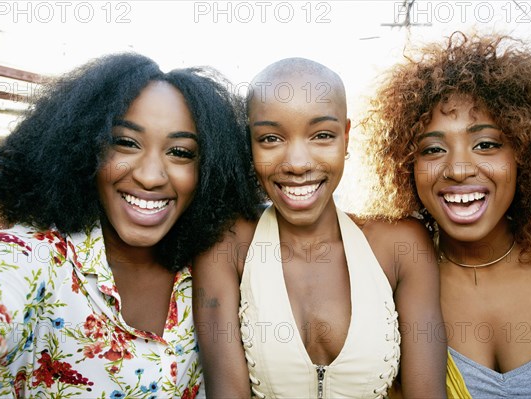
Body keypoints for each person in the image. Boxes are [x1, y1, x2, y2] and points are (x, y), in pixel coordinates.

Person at [0, 53, 260, 397]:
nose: (150, 176)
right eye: (126, 143)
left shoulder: (213, 262)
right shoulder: (34, 257)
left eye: (180, 152)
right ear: (85, 147)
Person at [192, 57, 447, 398]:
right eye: (270, 139)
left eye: (322, 135)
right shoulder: (227, 246)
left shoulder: (401, 245)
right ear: (249, 144)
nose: (297, 163)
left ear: (346, 137)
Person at [362, 32, 531, 398]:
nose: (458, 169)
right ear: (407, 166)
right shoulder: (388, 293)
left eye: (486, 144)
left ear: (526, 154)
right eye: (433, 149)